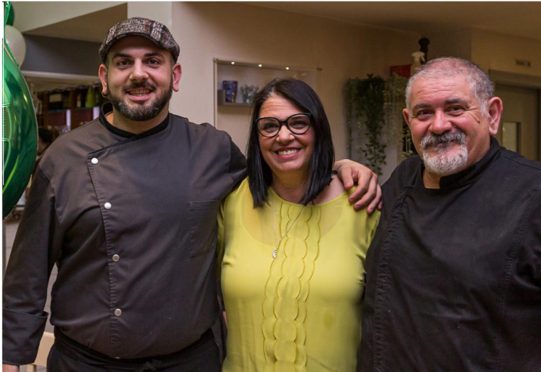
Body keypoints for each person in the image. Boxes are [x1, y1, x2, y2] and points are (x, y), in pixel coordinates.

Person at [2, 17, 379, 371]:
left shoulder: (211, 148)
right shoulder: (63, 160)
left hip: (190, 361)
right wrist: (10, 357)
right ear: (104, 77)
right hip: (89, 362)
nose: (138, 74)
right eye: (123, 63)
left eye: (153, 61)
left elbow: (278, 168)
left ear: (174, 75)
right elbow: (27, 275)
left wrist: (337, 166)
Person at [358, 57, 541, 371]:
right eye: (424, 112)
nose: (439, 125)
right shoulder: (402, 180)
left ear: (492, 115)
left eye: (455, 108)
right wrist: (341, 170)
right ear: (407, 120)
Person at [218, 78, 380, 371]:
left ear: (318, 129)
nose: (283, 136)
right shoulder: (230, 203)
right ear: (257, 137)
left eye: (298, 123)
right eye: (270, 126)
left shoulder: (361, 207)